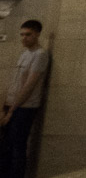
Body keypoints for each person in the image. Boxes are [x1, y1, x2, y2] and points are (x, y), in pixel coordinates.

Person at [0, 20, 49, 178]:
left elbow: (29, 86)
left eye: (28, 34)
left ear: (37, 34)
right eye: (22, 34)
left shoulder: (40, 55)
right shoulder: (25, 54)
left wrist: (11, 111)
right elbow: (14, 82)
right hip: (11, 105)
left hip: (25, 107)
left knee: (17, 146)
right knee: (5, 145)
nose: (24, 38)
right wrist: (3, 108)